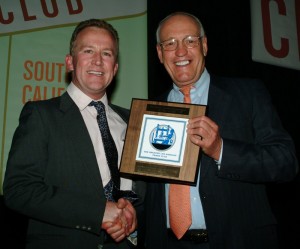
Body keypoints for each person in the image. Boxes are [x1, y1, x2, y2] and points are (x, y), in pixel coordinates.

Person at [143, 12, 299, 249]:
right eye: (170, 43)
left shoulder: (248, 94)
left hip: (239, 240)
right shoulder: (151, 112)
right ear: (159, 53)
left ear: (204, 45)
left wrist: (221, 150)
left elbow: (285, 162)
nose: (181, 51)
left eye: (190, 41)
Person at [3, 19, 145, 249]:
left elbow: (146, 192)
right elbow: (19, 190)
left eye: (107, 53)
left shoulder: (134, 121)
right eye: (88, 50)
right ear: (70, 62)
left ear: (115, 67)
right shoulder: (41, 114)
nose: (98, 60)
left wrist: (134, 216)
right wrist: (98, 212)